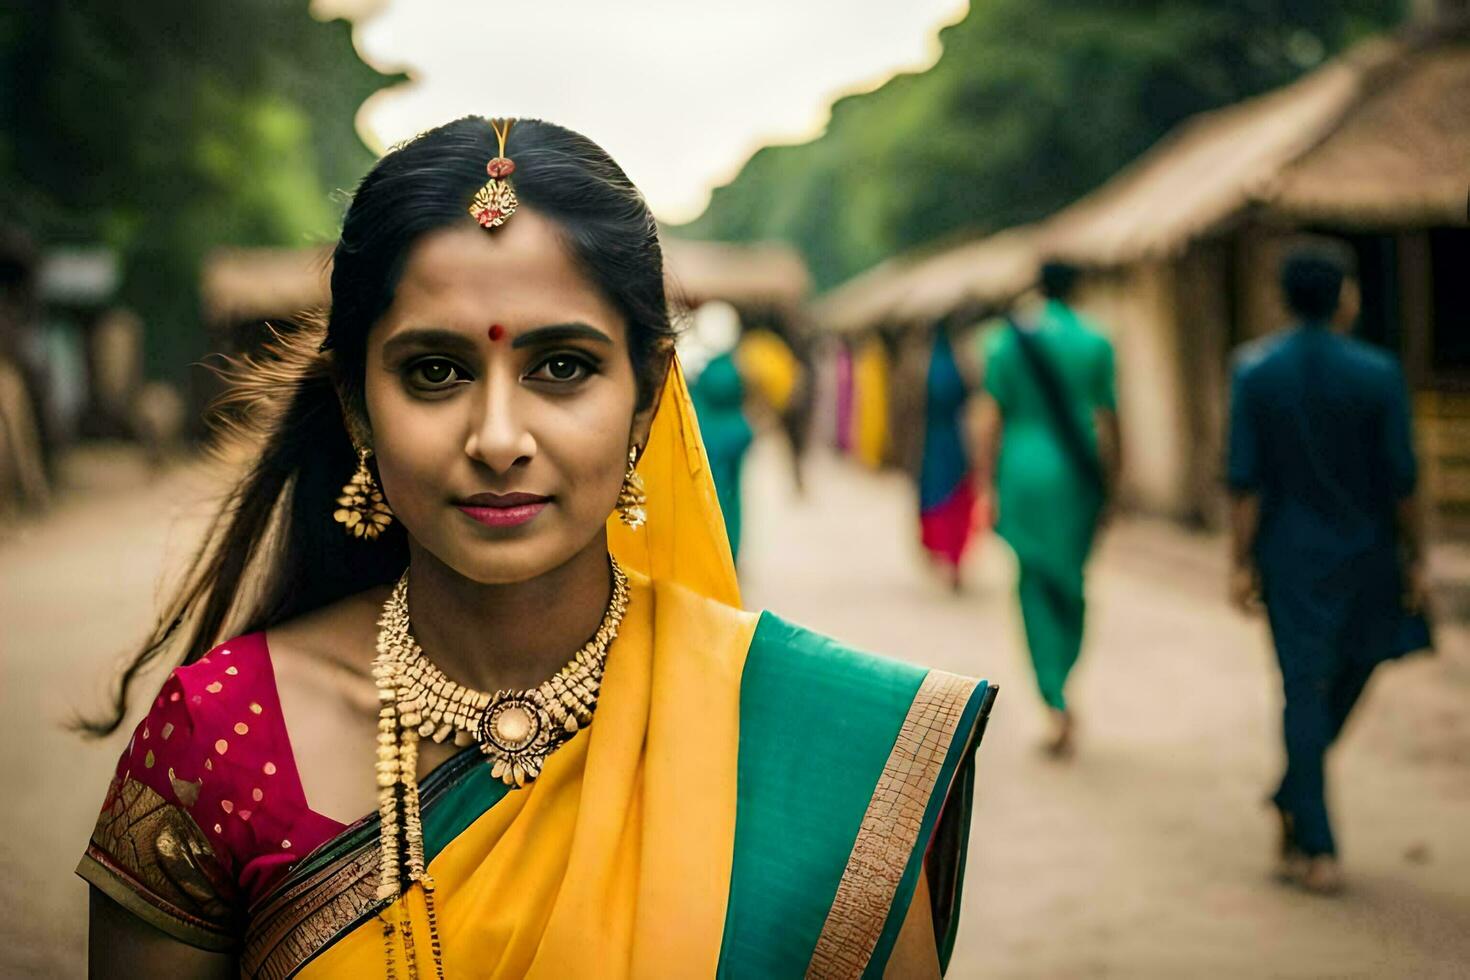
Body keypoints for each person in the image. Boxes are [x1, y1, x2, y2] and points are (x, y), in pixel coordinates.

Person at [75, 117, 997, 979]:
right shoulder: (222, 736)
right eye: (435, 372)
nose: (499, 436)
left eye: (563, 367)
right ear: (358, 406)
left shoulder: (814, 738)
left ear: (645, 400)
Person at [1226, 239, 1429, 895]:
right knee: (1348, 670)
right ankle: (1315, 842)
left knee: (1304, 688)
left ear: (1285, 298)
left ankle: (1294, 794)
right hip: (1369, 554)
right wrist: (1418, 557)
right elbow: (1404, 481)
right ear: (1345, 295)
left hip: (1290, 557)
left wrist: (1239, 560)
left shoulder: (1255, 372)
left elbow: (1243, 482)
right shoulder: (1378, 373)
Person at [973, 261, 1119, 757]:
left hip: (1023, 470)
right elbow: (1109, 422)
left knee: (1033, 583)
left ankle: (1053, 695)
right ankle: (1063, 680)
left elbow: (990, 418)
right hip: (1076, 475)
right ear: (1077, 286)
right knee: (1071, 582)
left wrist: (986, 485)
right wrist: (1111, 488)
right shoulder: (1096, 342)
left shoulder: (1003, 343)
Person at [916, 323, 980, 591]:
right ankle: (954, 560)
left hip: (933, 441)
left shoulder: (922, 367)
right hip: (955, 439)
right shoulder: (962, 365)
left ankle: (940, 554)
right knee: (954, 499)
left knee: (935, 498)